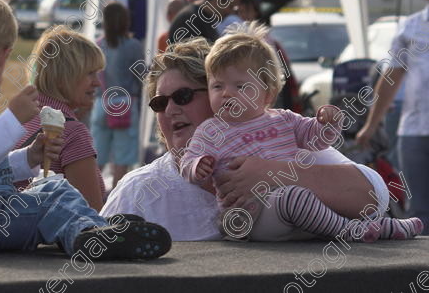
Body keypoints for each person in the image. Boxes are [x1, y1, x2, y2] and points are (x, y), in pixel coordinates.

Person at [0, 0, 171, 259]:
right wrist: (12, 118)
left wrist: (28, 157)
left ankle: (94, 227)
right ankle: (89, 234)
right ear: (3, 55)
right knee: (55, 192)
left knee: (47, 187)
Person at [100, 37, 391, 241]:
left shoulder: (278, 140)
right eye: (159, 103)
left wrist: (270, 173)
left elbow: (375, 197)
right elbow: (103, 265)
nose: (171, 109)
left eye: (183, 96)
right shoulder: (139, 191)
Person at [179, 23, 422, 242]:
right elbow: (188, 162)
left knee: (310, 196)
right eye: (217, 86)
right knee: (296, 196)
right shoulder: (211, 130)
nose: (226, 93)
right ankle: (351, 231)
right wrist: (197, 166)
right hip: (247, 217)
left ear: (268, 94)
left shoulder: (284, 119)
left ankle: (385, 227)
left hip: (295, 209)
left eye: (240, 86)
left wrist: (327, 124)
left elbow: (316, 141)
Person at [356, 0, 429, 235]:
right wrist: (370, 125)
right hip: (414, 130)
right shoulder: (411, 27)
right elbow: (390, 78)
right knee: (419, 208)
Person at [14, 26, 108, 211]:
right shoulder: (72, 132)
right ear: (63, 77)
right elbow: (90, 217)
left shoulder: (16, 119)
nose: (98, 82)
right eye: (90, 73)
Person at [90, 2, 144, 191]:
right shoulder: (133, 46)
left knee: (98, 156)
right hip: (126, 106)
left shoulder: (97, 45)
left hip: (101, 103)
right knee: (123, 157)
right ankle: (116, 203)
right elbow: (141, 77)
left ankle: (93, 197)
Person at [168, 0, 245, 44]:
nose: (231, 13)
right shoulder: (189, 20)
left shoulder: (204, 19)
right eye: (231, 6)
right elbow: (189, 59)